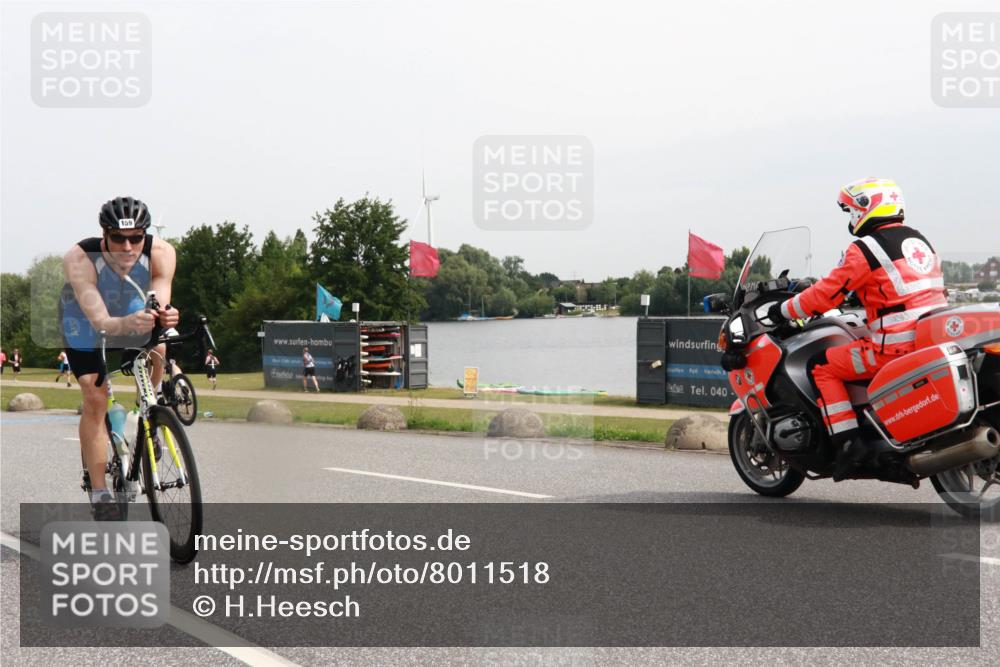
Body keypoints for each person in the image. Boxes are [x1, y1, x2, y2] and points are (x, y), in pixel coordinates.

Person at [769, 178, 946, 481]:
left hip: (894, 346)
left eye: (852, 210)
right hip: (929, 338)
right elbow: (895, 289)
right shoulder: (918, 241)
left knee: (821, 365)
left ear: (868, 207)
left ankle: (849, 444)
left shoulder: (866, 248)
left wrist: (782, 310)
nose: (851, 217)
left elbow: (826, 295)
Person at [61, 196, 180, 517]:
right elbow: (100, 321)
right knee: (96, 397)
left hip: (129, 303)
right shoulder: (79, 258)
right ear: (104, 235)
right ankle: (100, 493)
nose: (127, 247)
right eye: (118, 238)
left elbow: (158, 302)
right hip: (84, 320)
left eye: (136, 238)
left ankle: (151, 410)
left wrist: (164, 316)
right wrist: (125, 324)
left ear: (145, 235)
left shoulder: (162, 253)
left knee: (159, 346)